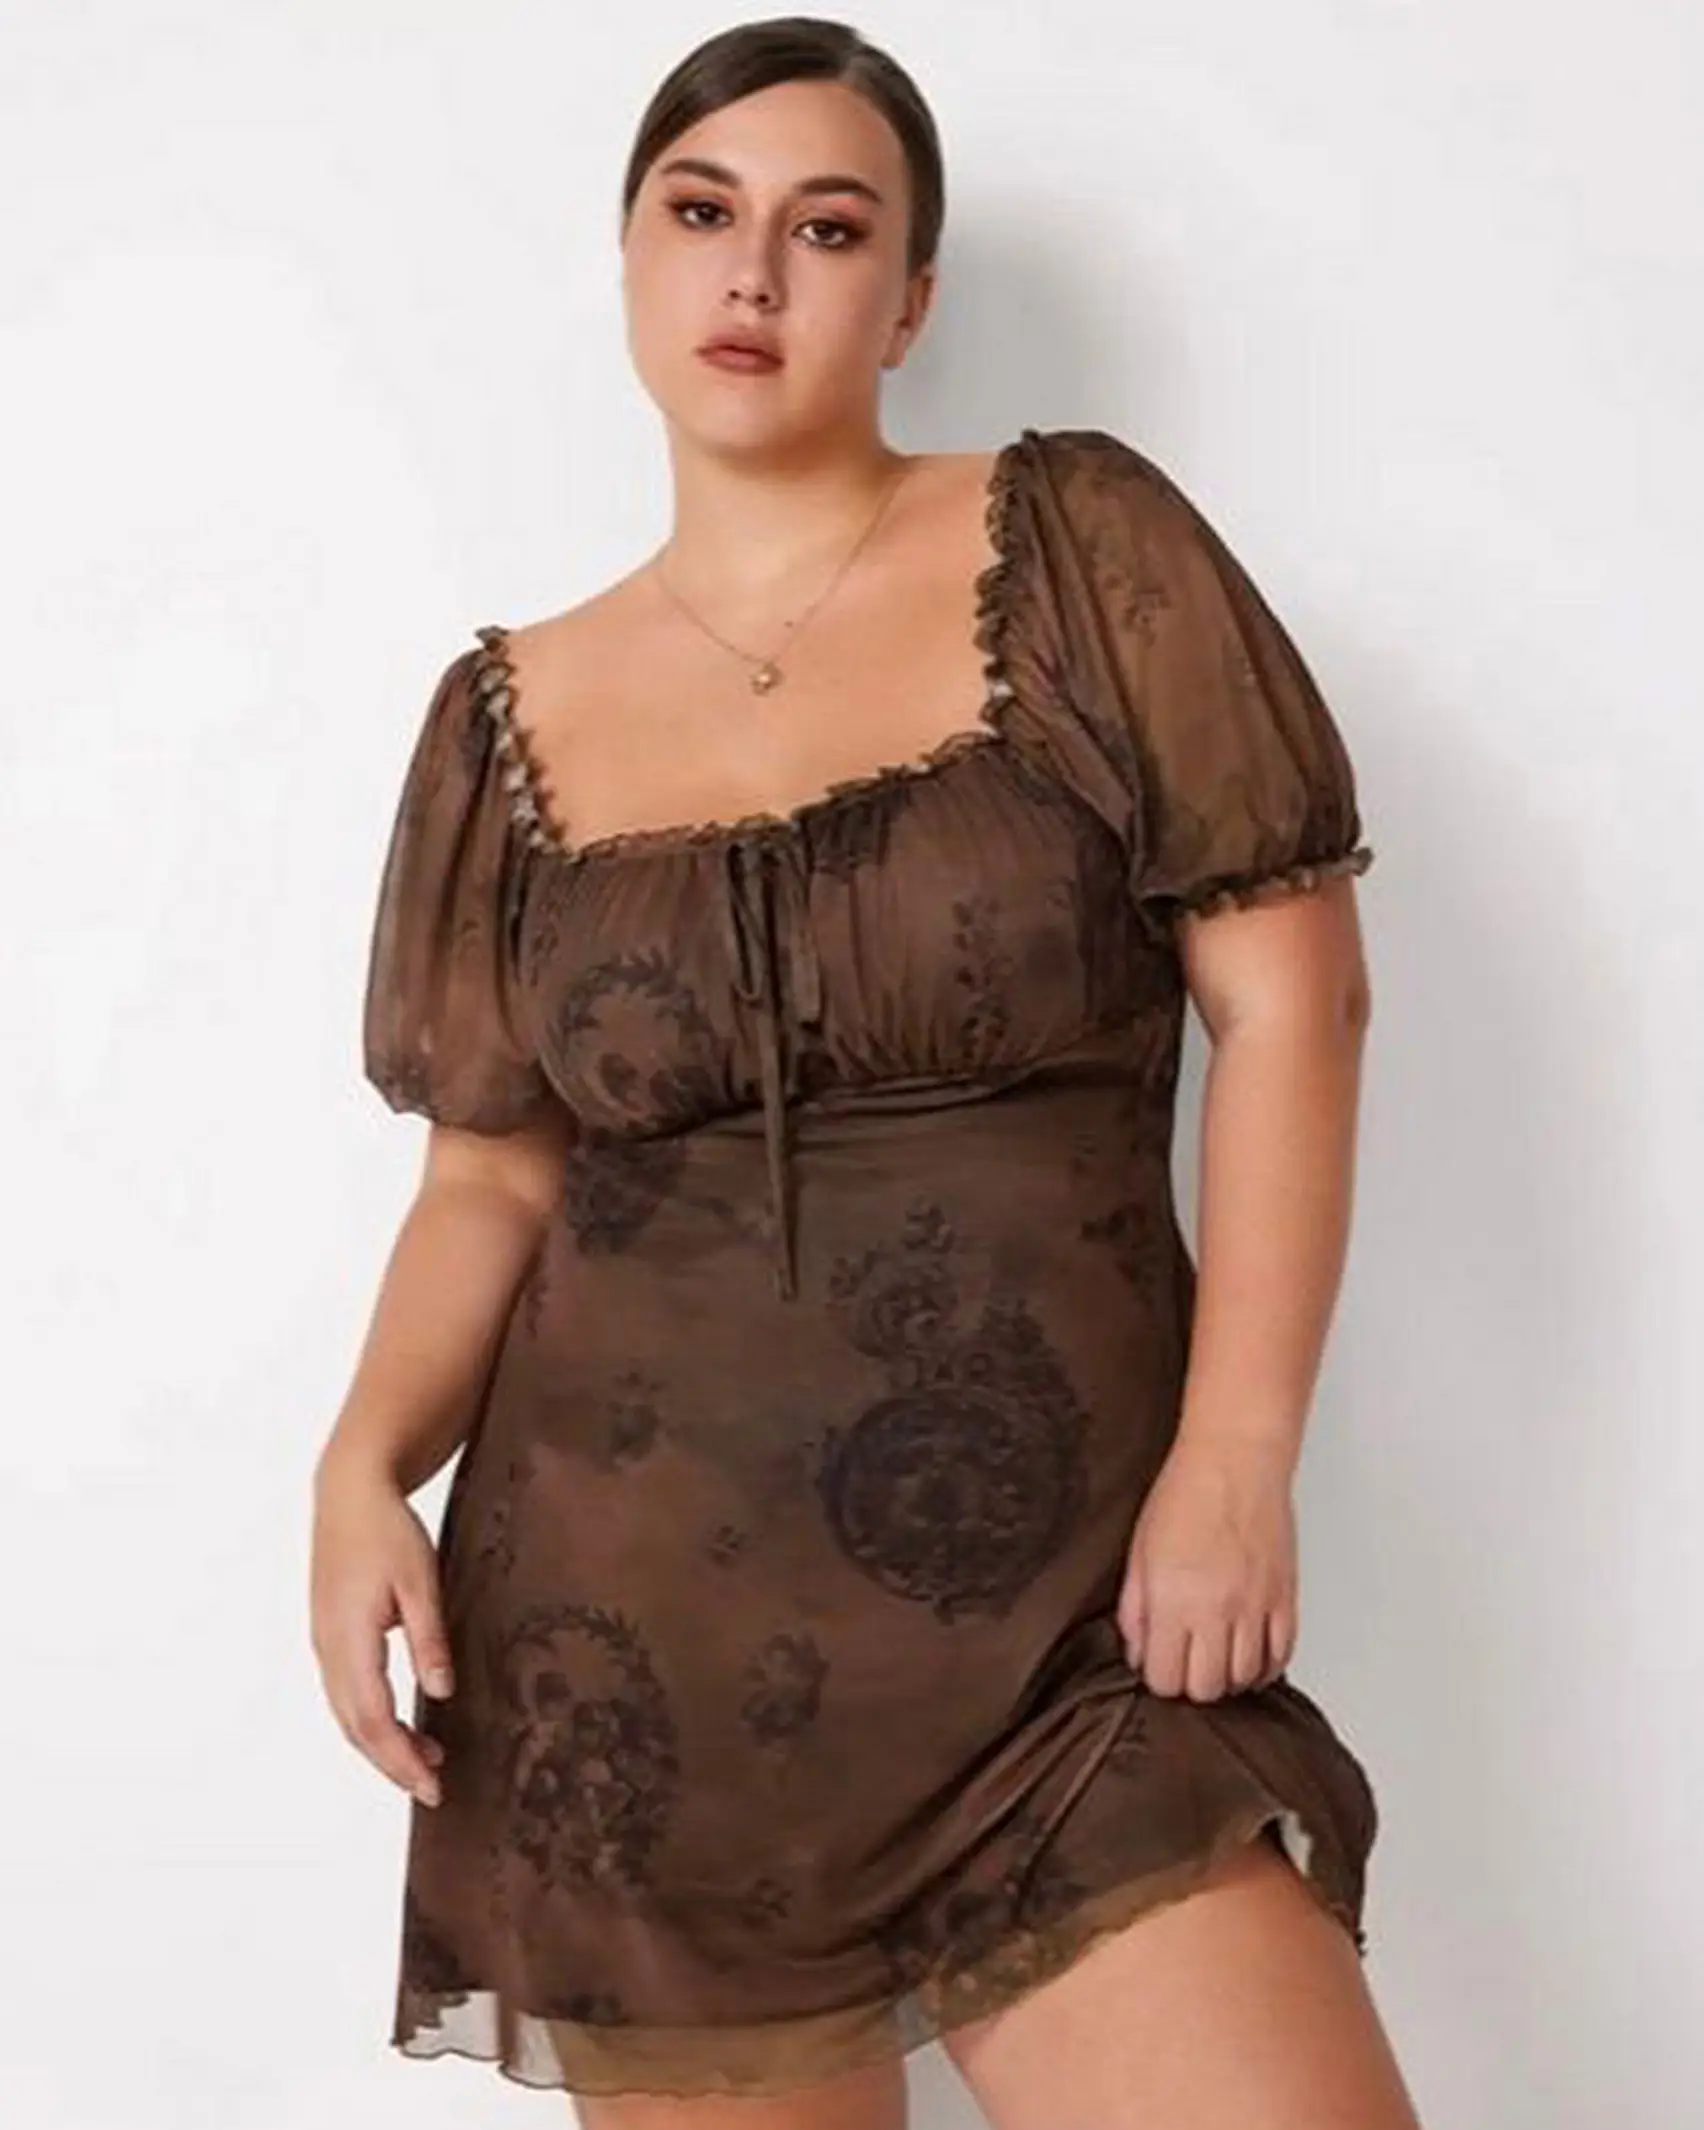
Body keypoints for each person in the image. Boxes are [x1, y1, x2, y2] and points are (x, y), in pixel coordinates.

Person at [310, 16, 1425, 2128]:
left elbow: (1295, 1006)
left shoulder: (1079, 550)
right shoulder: (503, 723)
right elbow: (490, 1177)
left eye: (829, 231)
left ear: (908, 302)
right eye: (700, 213)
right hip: (640, 1663)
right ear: (629, 260)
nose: (754, 272)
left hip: (1071, 1638)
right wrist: (361, 1461)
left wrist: (1240, 1450)